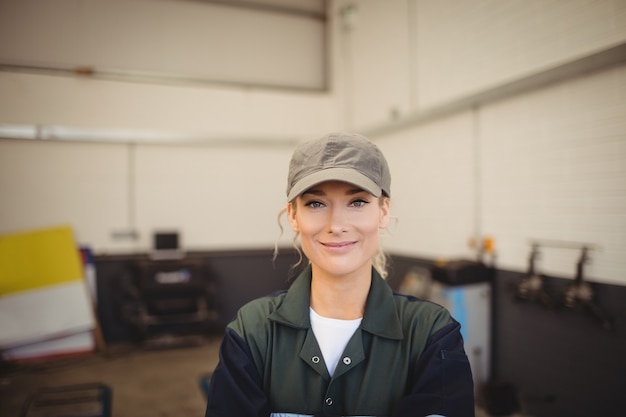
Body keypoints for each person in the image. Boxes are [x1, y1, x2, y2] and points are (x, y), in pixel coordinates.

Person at [204, 132, 475, 417]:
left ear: (383, 211)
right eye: (315, 203)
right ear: (293, 216)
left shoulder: (431, 334)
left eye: (357, 202)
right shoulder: (252, 331)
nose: (336, 225)